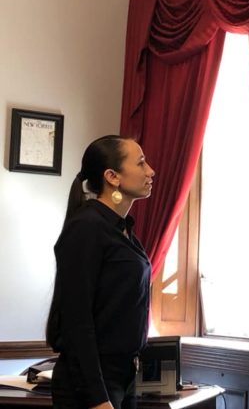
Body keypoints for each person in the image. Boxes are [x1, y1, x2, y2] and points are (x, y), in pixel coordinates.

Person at [46, 135, 155, 409]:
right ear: (112, 176)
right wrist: (98, 397)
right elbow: (77, 320)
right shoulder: (87, 227)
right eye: (141, 163)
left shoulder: (123, 230)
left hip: (123, 377)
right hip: (90, 386)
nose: (150, 171)